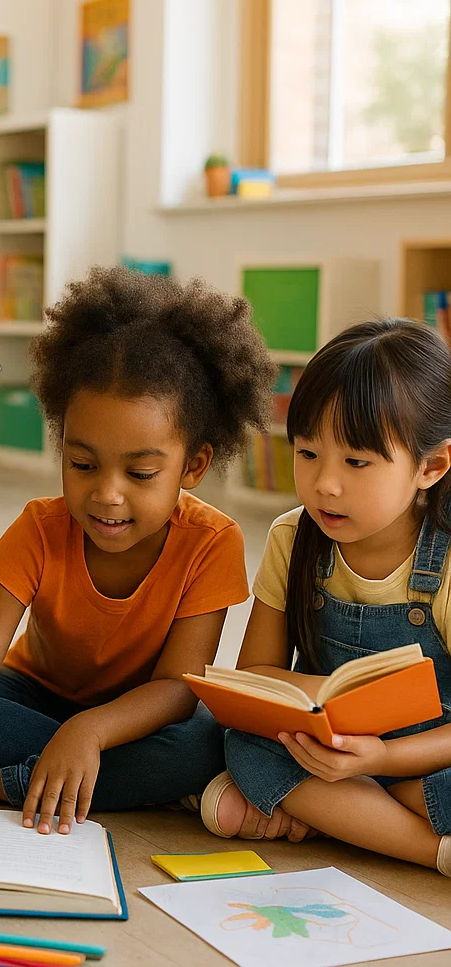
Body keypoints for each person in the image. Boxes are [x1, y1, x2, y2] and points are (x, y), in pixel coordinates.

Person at [0, 267, 276, 864]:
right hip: (33, 695)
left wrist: (89, 733)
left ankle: (14, 782)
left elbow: (176, 690)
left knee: (207, 745)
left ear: (193, 466)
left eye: (139, 474)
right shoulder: (40, 527)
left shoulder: (214, 542)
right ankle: (78, 780)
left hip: (138, 717)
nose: (107, 495)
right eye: (83, 464)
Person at [199, 318, 451, 879]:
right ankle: (431, 848)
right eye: (308, 453)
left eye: (356, 463)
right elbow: (255, 676)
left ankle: (339, 817)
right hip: (324, 746)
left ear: (430, 467)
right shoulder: (294, 538)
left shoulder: (447, 559)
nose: (324, 484)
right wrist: (327, 710)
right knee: (245, 745)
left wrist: (384, 756)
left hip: (425, 753)